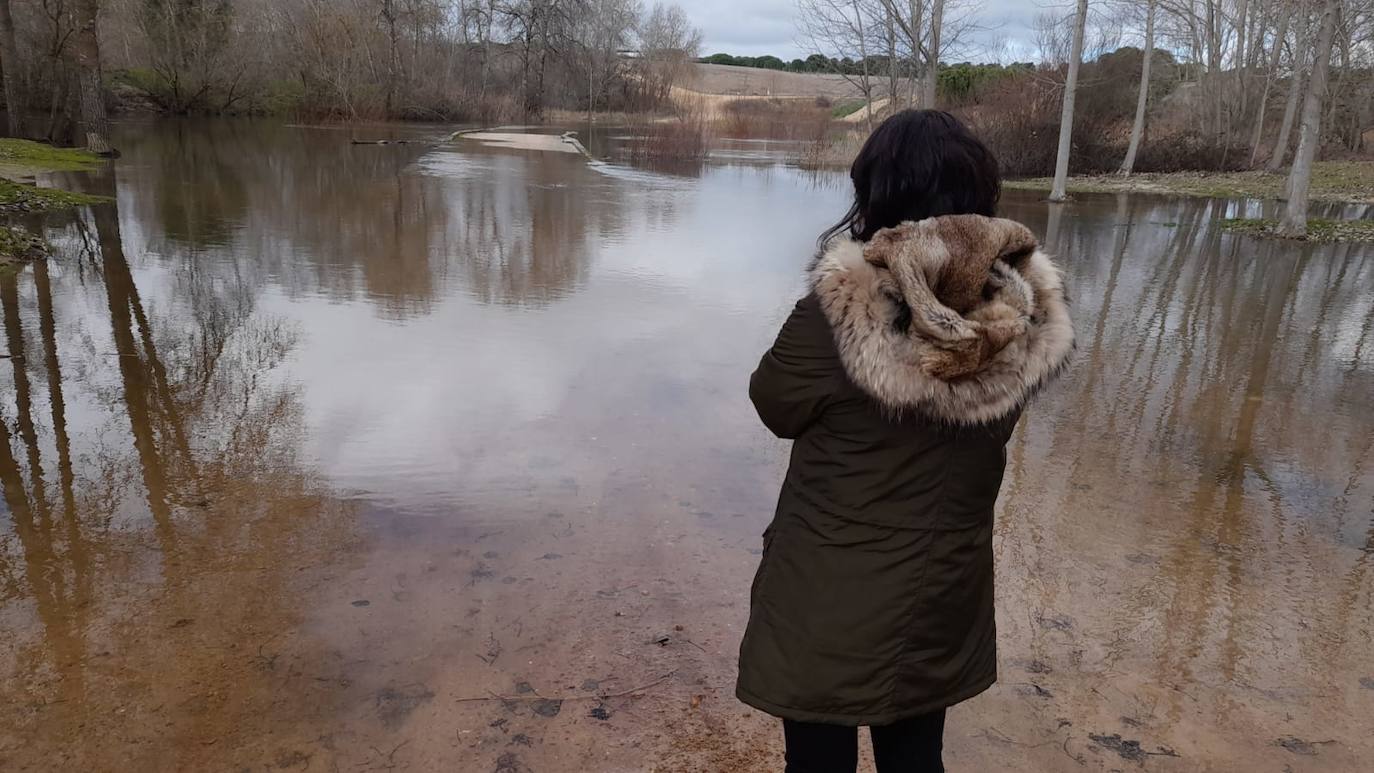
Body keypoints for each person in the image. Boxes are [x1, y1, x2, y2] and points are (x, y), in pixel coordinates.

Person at [735, 109, 1075, 772]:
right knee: (917, 754)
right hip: (942, 587)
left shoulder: (841, 311)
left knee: (816, 759)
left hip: (830, 592)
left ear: (878, 194)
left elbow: (776, 404)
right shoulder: (1021, 314)